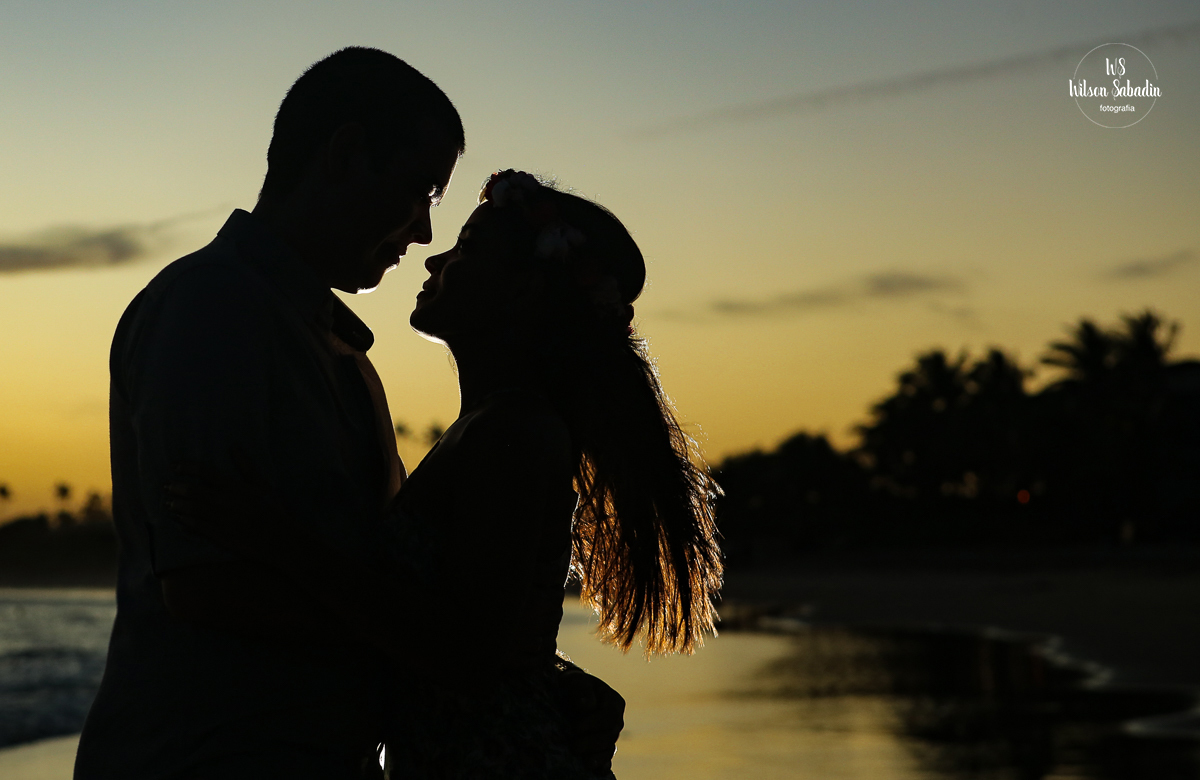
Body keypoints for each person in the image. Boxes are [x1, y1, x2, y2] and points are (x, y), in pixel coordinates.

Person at [76, 49, 622, 780]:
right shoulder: (214, 309)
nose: (426, 233)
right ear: (346, 154)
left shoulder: (342, 355)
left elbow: (422, 600)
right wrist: (494, 669)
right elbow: (208, 585)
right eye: (421, 190)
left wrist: (526, 677)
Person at [167, 170, 725, 778]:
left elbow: (465, 649)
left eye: (467, 248)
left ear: (521, 294)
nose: (435, 260)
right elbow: (491, 621)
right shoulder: (491, 427)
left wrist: (276, 542)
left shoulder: (514, 432)